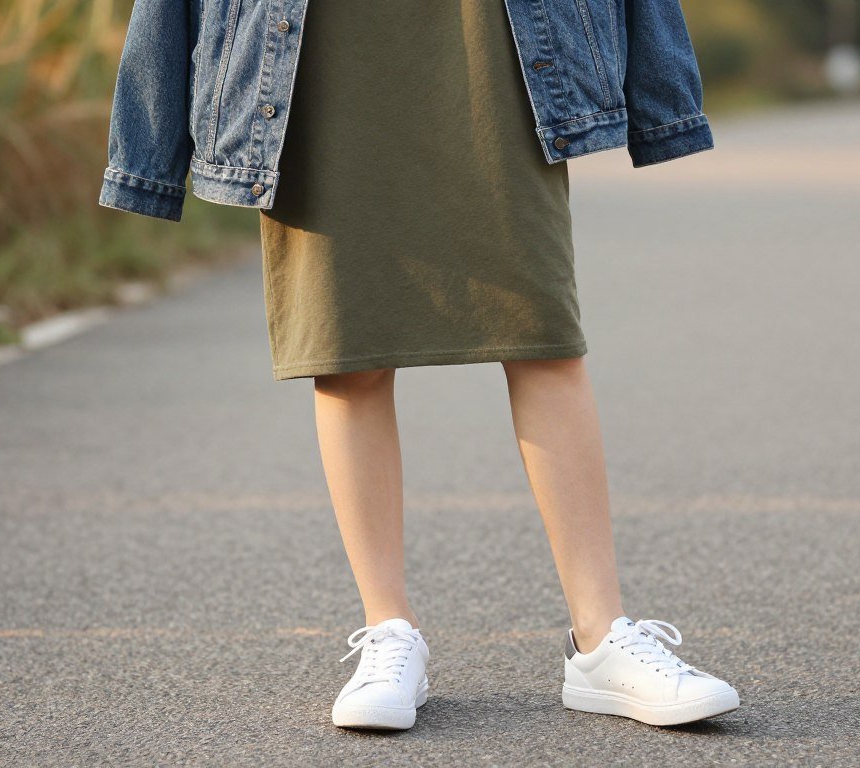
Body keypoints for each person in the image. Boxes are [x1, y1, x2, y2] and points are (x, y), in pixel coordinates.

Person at [99, 0, 738, 732]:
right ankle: (388, 631)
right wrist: (145, 152)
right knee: (346, 349)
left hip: (495, 41)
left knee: (543, 333)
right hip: (316, 54)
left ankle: (601, 640)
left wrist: (664, 99)